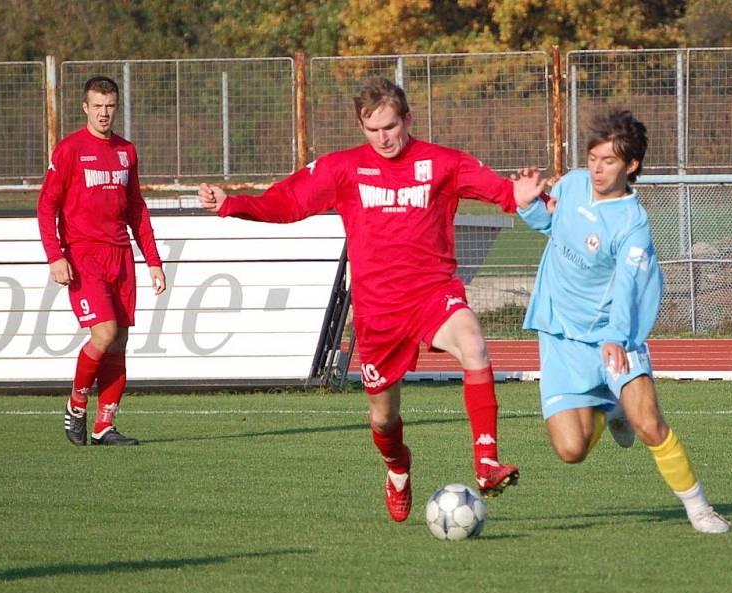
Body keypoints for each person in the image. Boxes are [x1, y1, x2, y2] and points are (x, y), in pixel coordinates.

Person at [199, 77, 547, 522]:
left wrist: (525, 195)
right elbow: (287, 203)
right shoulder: (343, 168)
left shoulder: (442, 163)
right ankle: (398, 467)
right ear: (361, 127)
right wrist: (233, 203)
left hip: (432, 293)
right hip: (378, 311)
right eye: (372, 129)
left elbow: (501, 191)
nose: (383, 138)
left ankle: (486, 463)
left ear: (407, 119)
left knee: (474, 343)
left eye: (390, 126)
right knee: (383, 420)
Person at [517, 108, 730, 533]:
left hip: (615, 337)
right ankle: (612, 410)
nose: (597, 168)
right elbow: (556, 228)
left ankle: (699, 508)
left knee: (650, 424)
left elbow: (630, 286)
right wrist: (528, 207)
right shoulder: (574, 184)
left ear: (631, 165)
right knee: (571, 450)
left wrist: (616, 336)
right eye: (593, 157)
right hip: (560, 335)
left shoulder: (634, 224)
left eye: (608, 160)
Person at [38, 76, 166, 447]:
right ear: (85, 108)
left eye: (110, 106)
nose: (104, 113)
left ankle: (104, 426)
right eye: (97, 106)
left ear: (116, 106)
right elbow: (47, 207)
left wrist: (153, 261)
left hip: (121, 255)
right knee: (104, 333)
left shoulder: (127, 151)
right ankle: (77, 403)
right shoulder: (70, 150)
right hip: (83, 254)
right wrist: (55, 256)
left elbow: (137, 210)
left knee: (120, 341)